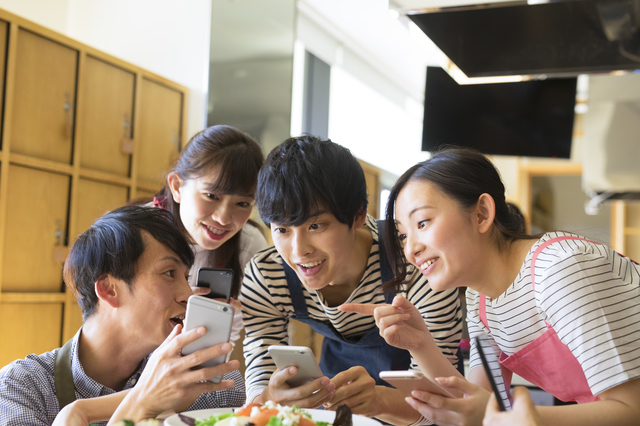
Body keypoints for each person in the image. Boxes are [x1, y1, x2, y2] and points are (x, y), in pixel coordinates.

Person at [341, 147, 640, 426]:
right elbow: (474, 402)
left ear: (482, 213)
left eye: (422, 223)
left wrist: (514, 417)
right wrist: (421, 345)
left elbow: (632, 408)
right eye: (404, 235)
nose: (410, 250)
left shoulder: (560, 269)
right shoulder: (481, 299)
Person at [241, 136, 463, 425]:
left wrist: (379, 400)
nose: (299, 251)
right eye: (282, 229)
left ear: (359, 215)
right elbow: (259, 387)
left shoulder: (415, 261)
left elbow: (447, 401)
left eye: (316, 225)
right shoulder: (267, 276)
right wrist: (272, 395)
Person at [0, 206, 245, 426]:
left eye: (186, 277)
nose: (187, 294)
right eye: (169, 273)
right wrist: (141, 404)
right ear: (108, 289)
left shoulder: (208, 382)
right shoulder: (21, 389)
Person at [152, 124, 268, 346]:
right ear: (177, 186)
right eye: (211, 196)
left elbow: (234, 340)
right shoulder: (135, 233)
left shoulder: (249, 245)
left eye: (243, 203)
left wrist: (206, 325)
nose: (224, 218)